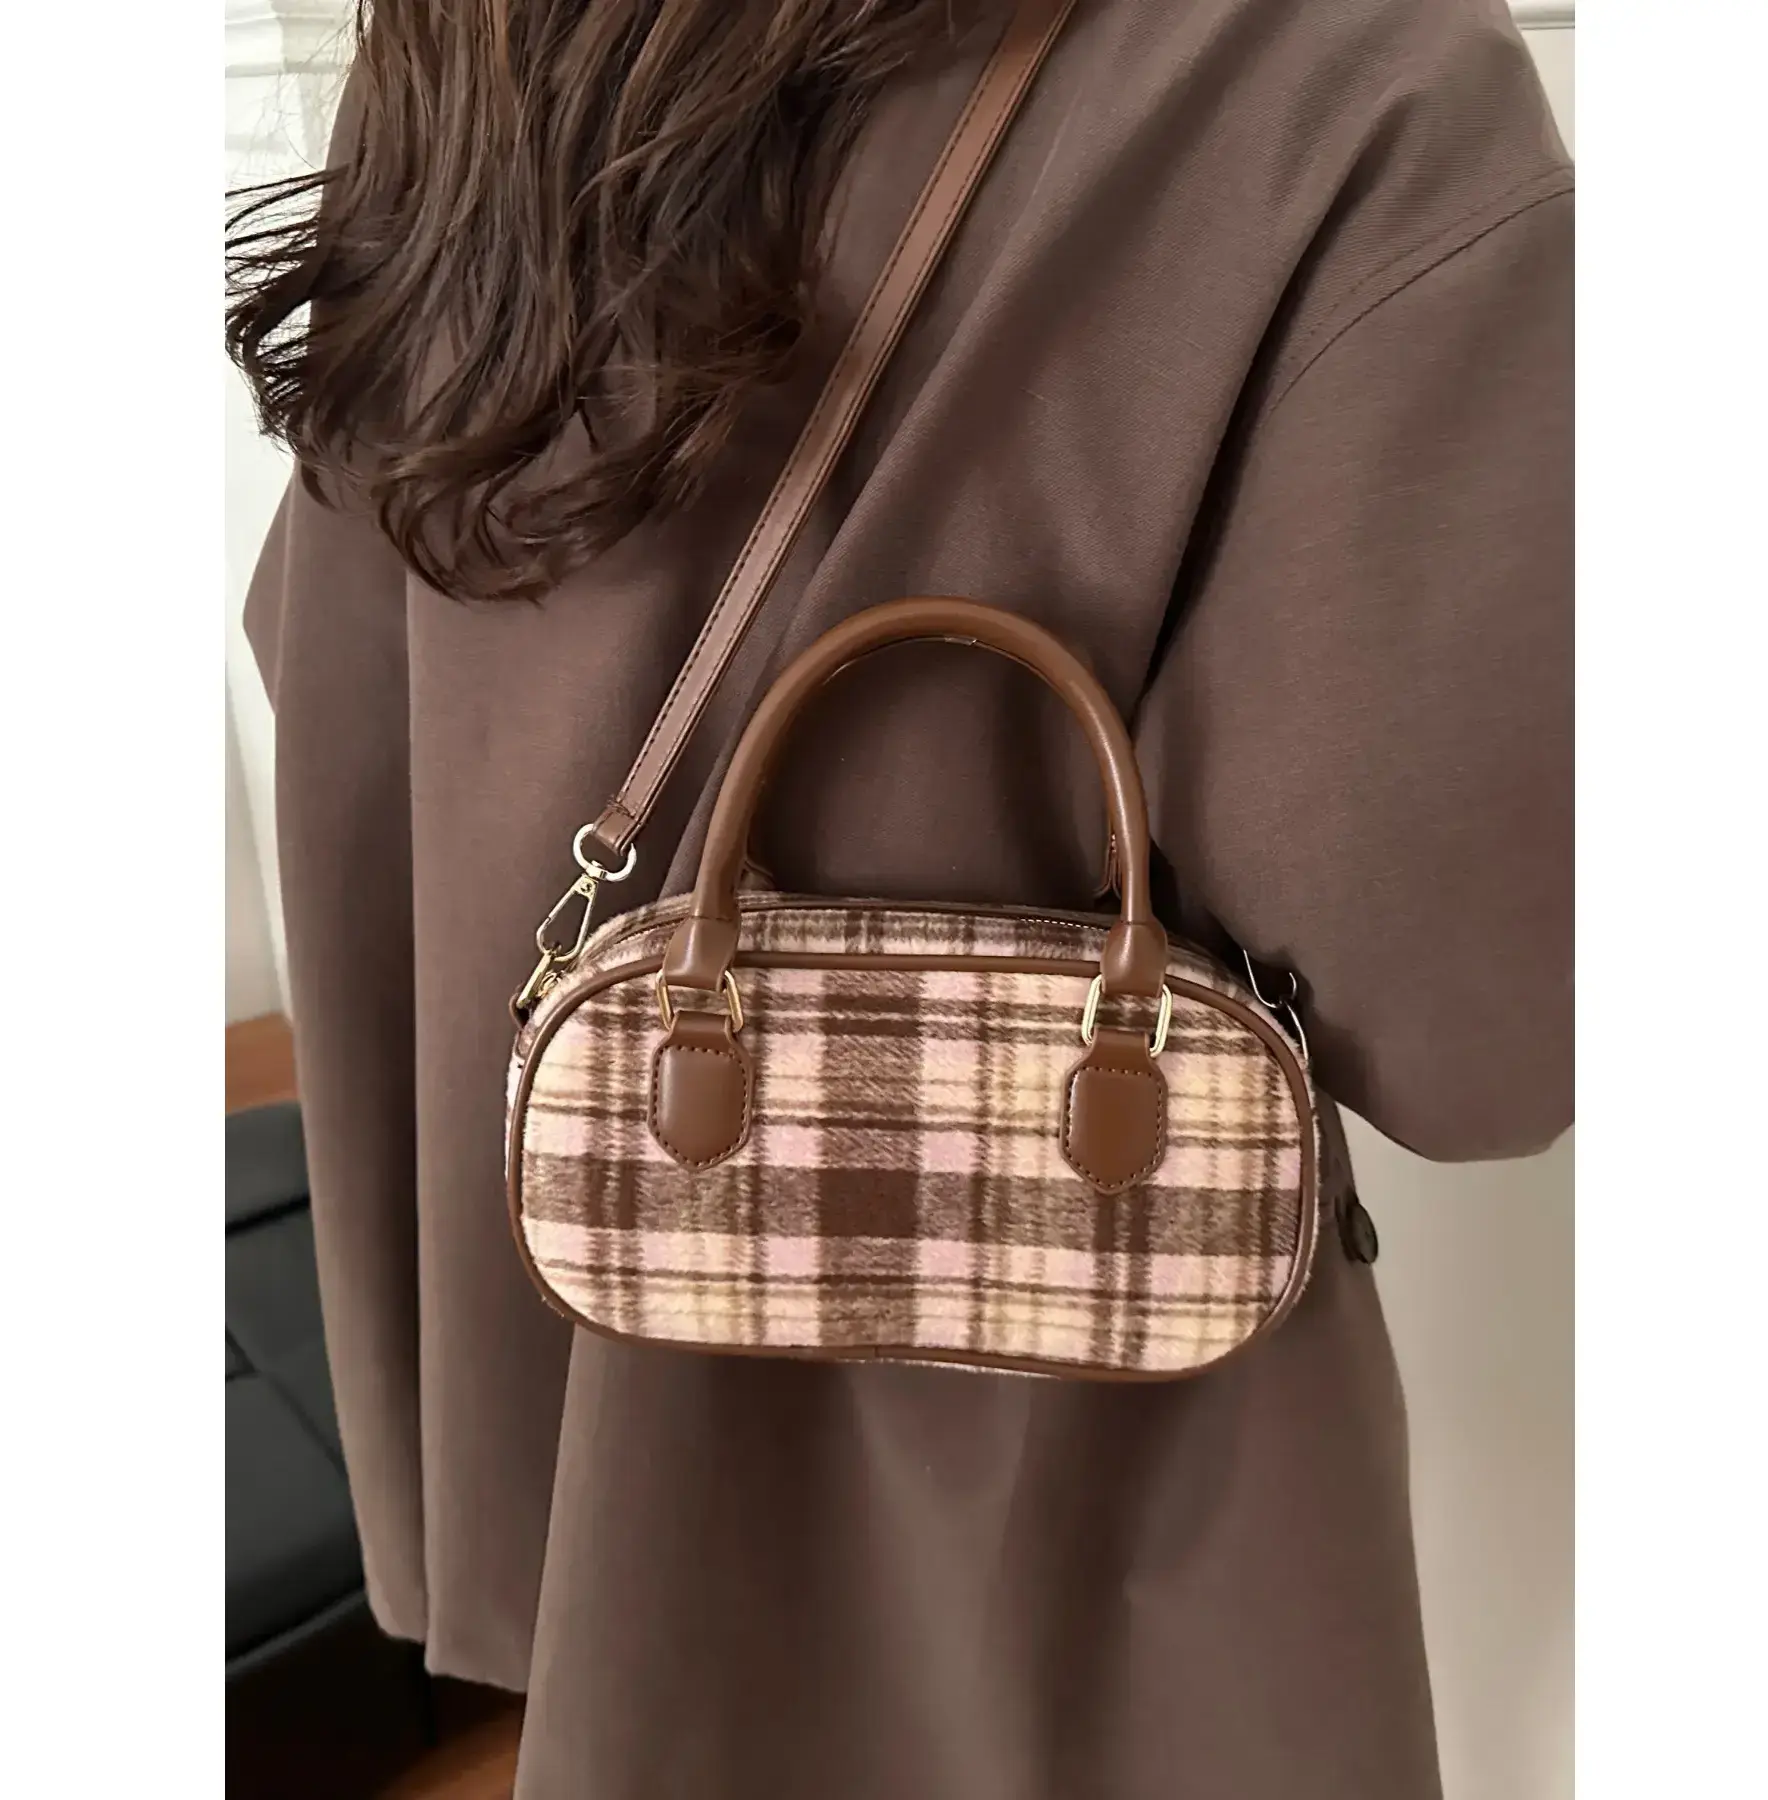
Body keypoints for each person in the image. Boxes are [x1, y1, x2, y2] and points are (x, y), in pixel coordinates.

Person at [228, 0, 1571, 1793]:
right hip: (1080, 1537)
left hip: (559, 1347)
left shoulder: (476, 33)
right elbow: (1482, 1033)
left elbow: (321, 639)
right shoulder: (1342, 70)